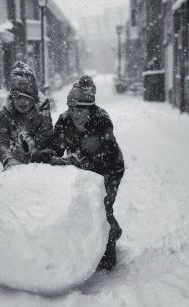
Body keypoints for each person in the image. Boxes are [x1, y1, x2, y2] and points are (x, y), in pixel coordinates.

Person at [50, 75, 125, 270]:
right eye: (72, 108)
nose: (75, 114)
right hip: (81, 169)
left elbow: (102, 155)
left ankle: (108, 251)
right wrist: (46, 155)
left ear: (90, 108)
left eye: (80, 109)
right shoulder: (64, 121)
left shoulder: (102, 121)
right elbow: (56, 147)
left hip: (110, 169)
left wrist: (74, 159)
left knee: (101, 206)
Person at [0, 61, 55, 170]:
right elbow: (0, 142)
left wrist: (34, 152)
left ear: (33, 98)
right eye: (18, 97)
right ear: (12, 98)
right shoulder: (5, 115)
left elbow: (46, 138)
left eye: (26, 98)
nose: (22, 102)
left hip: (40, 165)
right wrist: (8, 158)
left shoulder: (42, 114)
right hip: (14, 165)